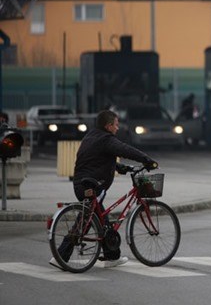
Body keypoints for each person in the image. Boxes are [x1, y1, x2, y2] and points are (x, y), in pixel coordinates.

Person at [50, 109, 157, 270]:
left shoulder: (91, 137)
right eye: (116, 125)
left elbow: (98, 159)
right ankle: (61, 255)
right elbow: (126, 150)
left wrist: (121, 167)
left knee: (101, 221)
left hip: (81, 184)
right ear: (108, 126)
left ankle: (111, 256)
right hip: (94, 185)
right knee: (85, 220)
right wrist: (147, 160)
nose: (117, 128)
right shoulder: (107, 139)